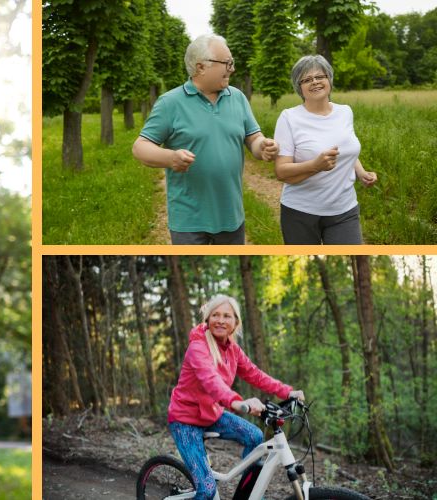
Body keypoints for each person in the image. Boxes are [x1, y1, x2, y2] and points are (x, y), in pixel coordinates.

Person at [132, 34, 279, 245]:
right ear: (201, 67)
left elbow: (253, 137)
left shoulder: (237, 97)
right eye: (227, 63)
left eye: (232, 63)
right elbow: (140, 147)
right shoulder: (170, 103)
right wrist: (170, 157)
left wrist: (262, 146)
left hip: (231, 215)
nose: (232, 69)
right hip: (188, 220)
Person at [168, 295, 304, 500]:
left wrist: (286, 391)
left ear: (235, 322)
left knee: (255, 437)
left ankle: (244, 494)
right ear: (208, 319)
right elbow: (211, 381)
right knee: (206, 490)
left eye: (226, 316)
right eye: (215, 315)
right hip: (185, 420)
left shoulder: (232, 349)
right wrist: (236, 401)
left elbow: (254, 374)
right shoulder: (198, 347)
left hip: (211, 414)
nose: (220, 320)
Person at [274, 55, 377, 244]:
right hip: (300, 212)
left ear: (329, 79)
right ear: (299, 88)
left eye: (319, 77)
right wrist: (315, 165)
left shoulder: (345, 112)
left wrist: (361, 173)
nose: (314, 82)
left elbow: (346, 149)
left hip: (344, 210)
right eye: (306, 80)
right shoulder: (289, 118)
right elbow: (281, 171)